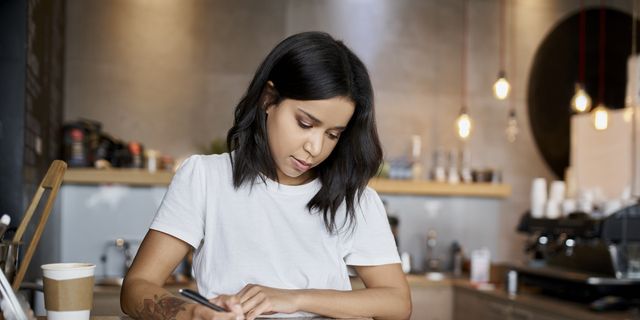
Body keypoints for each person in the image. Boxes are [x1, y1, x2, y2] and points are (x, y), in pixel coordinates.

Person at [120, 31, 412, 320]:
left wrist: (295, 298)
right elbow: (135, 288)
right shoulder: (205, 178)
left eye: (333, 135)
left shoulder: (354, 199)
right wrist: (193, 313)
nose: (316, 147)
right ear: (269, 99)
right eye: (305, 123)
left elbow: (398, 303)